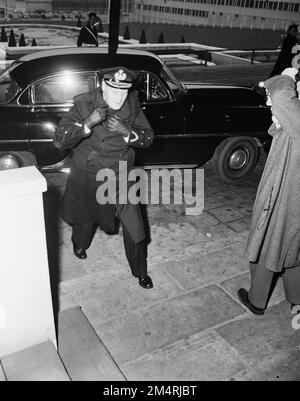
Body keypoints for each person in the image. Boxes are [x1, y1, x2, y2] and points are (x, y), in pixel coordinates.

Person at [54, 67, 155, 289]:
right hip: (90, 171)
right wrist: (87, 123)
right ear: (103, 86)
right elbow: (60, 140)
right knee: (87, 216)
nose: (120, 97)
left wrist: (127, 131)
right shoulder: (84, 104)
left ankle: (140, 270)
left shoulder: (132, 103)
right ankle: (79, 244)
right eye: (114, 91)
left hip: (121, 171)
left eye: (124, 91)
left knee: (134, 224)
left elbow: (148, 137)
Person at [238, 55, 300, 315]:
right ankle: (297, 297)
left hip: (289, 187)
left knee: (270, 237)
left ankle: (257, 300)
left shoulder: (291, 98)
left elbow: (287, 104)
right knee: (294, 243)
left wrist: (286, 77)